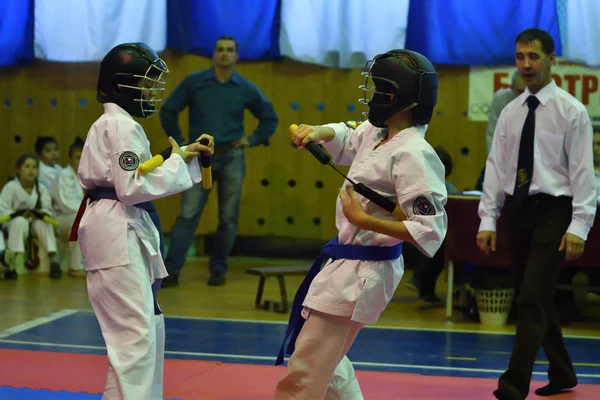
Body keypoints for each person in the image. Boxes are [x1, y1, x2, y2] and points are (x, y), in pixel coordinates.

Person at [273, 49, 448, 400]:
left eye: (381, 89)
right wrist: (318, 131)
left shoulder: (413, 152)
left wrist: (363, 220)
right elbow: (348, 134)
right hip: (345, 263)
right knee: (330, 364)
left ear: (402, 99)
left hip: (365, 269)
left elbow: (430, 230)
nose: (373, 96)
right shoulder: (378, 132)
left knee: (307, 368)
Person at [69, 42, 213, 399]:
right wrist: (179, 164)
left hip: (120, 226)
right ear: (121, 85)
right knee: (134, 340)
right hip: (116, 229)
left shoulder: (116, 125)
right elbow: (131, 186)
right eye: (145, 84)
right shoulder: (120, 127)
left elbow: (134, 175)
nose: (150, 92)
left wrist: (180, 156)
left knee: (145, 331)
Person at [477, 28, 596, 400]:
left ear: (551, 60)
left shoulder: (571, 112)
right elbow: (496, 168)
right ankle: (562, 372)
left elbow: (583, 174)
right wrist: (487, 219)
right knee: (538, 297)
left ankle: (514, 384)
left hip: (555, 213)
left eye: (533, 57)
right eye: (520, 57)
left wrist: (580, 225)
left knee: (529, 297)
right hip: (518, 211)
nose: (526, 65)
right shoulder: (511, 113)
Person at [159, 36, 278, 287]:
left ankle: (219, 270)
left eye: (230, 50)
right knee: (187, 215)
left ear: (236, 55)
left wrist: (252, 139)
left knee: (228, 218)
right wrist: (181, 143)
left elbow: (269, 118)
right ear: (214, 54)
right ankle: (171, 271)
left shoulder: (244, 87)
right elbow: (168, 110)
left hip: (232, 155)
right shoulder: (195, 82)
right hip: (199, 156)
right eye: (220, 49)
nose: (224, 54)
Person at [0, 154, 61, 279]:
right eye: (27, 166)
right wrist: (19, 214)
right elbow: (3, 210)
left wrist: (38, 214)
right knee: (19, 222)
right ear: (18, 169)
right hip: (12, 223)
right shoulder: (10, 187)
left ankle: (54, 261)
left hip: (33, 222)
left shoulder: (41, 189)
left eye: (34, 167)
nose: (31, 170)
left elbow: (48, 210)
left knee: (44, 223)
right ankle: (11, 263)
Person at [476, 71, 526, 190]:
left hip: (525, 164)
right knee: (481, 192)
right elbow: (491, 135)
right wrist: (494, 166)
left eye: (526, 91)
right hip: (501, 159)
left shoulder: (537, 102)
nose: (523, 95)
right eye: (519, 91)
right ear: (512, 88)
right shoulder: (501, 98)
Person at [50, 137, 86, 277]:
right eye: (78, 157)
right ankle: (74, 267)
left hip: (79, 215)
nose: (82, 161)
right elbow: (67, 205)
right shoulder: (64, 175)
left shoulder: (88, 176)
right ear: (70, 159)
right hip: (60, 220)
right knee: (81, 220)